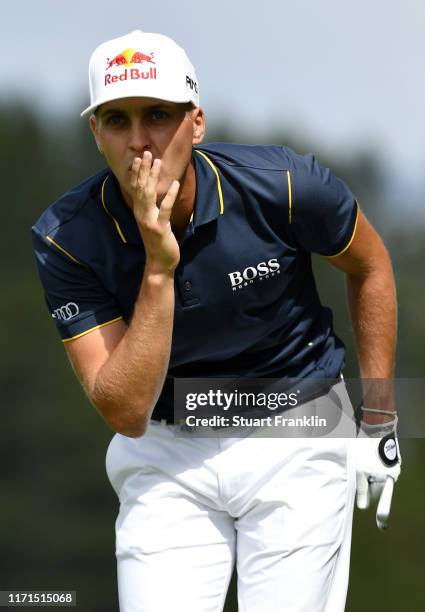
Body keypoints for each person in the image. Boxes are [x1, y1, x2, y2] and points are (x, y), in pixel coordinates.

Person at [31, 29, 401, 612]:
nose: (139, 141)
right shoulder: (67, 238)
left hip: (297, 430)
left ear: (196, 123)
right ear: (95, 132)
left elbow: (371, 265)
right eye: (117, 120)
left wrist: (378, 417)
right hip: (164, 449)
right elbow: (125, 410)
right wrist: (158, 269)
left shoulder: (284, 185)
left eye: (157, 115)